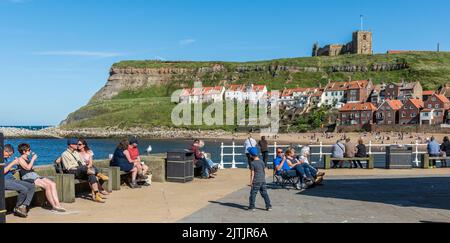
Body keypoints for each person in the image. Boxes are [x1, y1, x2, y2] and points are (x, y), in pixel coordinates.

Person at [16, 143, 66, 212]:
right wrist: (33, 159)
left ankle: (58, 204)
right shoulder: (20, 159)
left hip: (34, 175)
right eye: (28, 150)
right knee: (47, 186)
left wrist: (32, 159)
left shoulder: (27, 158)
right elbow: (27, 168)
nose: (30, 151)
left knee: (52, 184)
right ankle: (53, 206)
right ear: (24, 151)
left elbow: (30, 168)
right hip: (28, 177)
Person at [62, 139, 106, 203]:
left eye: (78, 144)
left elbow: (82, 163)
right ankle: (98, 174)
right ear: (71, 145)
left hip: (81, 170)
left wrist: (84, 167)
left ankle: (97, 195)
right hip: (72, 172)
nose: (77, 145)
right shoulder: (65, 154)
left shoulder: (76, 153)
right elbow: (69, 168)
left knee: (91, 176)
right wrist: (80, 168)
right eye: (76, 144)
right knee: (83, 168)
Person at [3, 144, 35, 218]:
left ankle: (23, 206)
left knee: (31, 186)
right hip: (3, 181)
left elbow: (7, 169)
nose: (9, 156)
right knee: (24, 189)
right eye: (9, 155)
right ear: (4, 151)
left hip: (11, 179)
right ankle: (17, 207)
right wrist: (12, 163)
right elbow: (3, 171)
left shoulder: (4, 158)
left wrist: (14, 170)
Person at [248, 147, 272, 212]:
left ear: (251, 155)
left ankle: (252, 206)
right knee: (264, 194)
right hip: (262, 180)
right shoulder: (261, 161)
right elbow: (265, 171)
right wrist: (263, 178)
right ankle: (268, 206)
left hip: (256, 181)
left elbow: (252, 174)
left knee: (253, 194)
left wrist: (251, 182)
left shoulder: (252, 163)